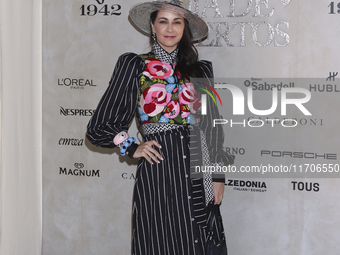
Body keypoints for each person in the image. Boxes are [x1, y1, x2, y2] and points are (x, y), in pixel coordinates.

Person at [86, 1, 234, 254]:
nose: (170, 28)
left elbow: (212, 127)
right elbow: (100, 125)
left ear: (184, 28)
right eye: (163, 21)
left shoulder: (200, 70)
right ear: (152, 26)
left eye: (177, 22)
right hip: (161, 171)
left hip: (202, 168)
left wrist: (218, 176)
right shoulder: (136, 65)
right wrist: (131, 146)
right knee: (160, 238)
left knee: (202, 239)